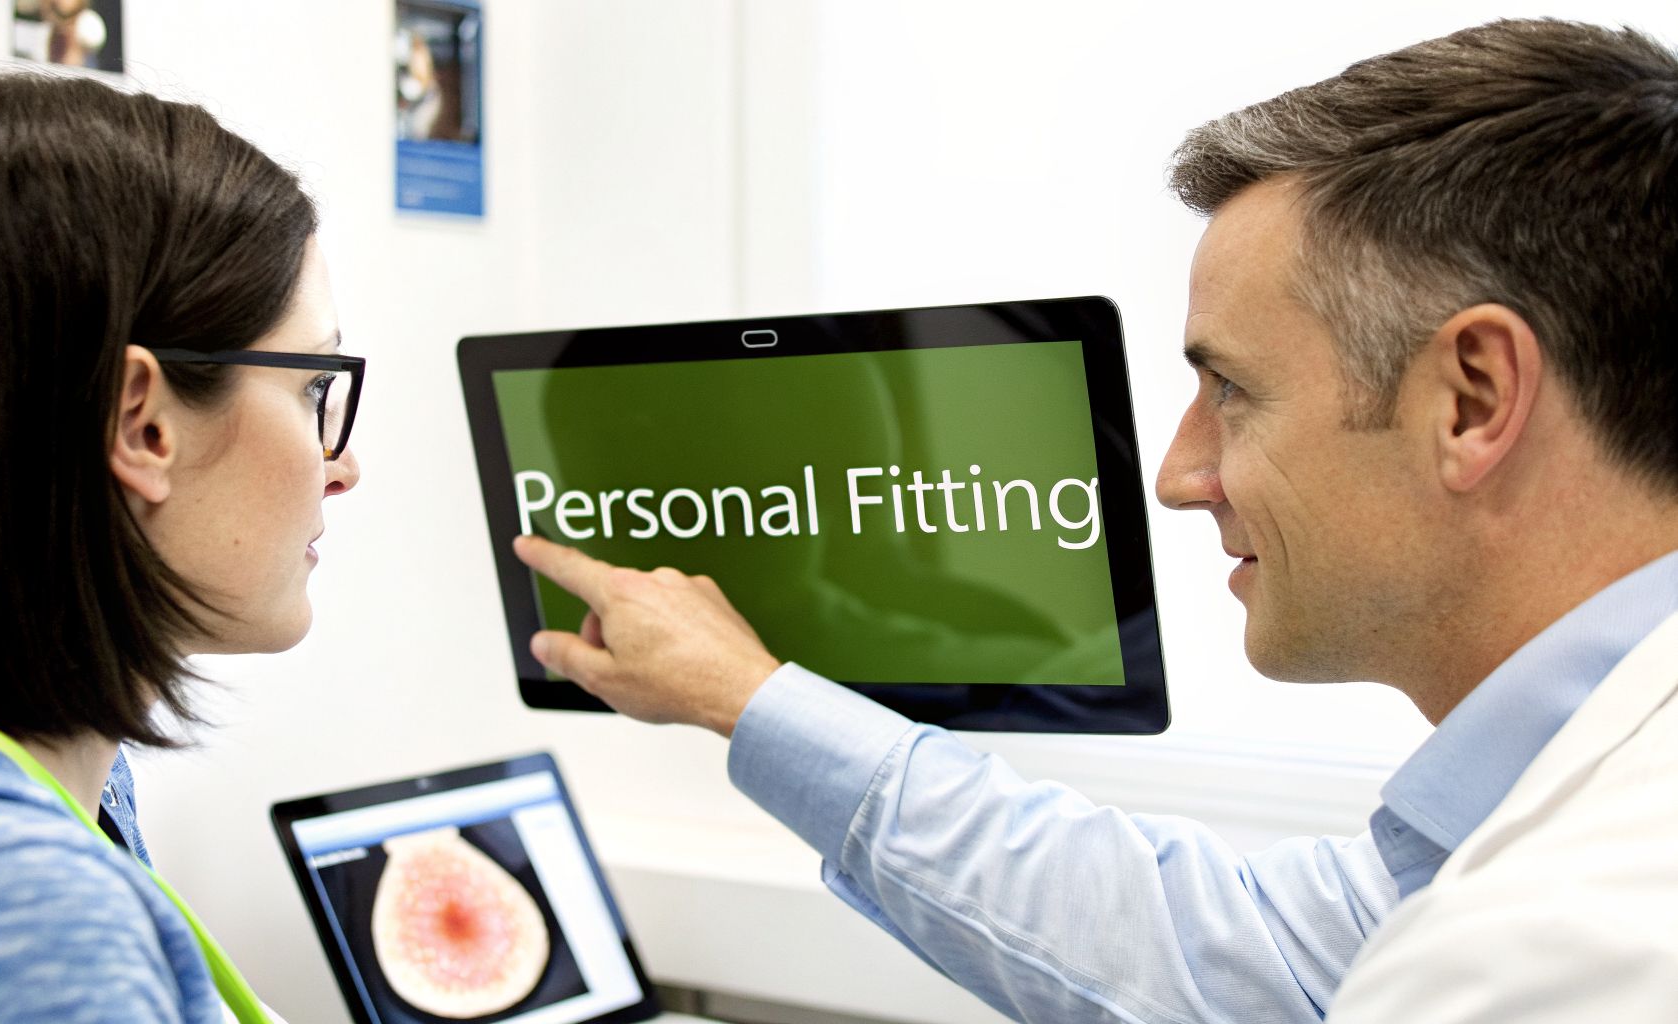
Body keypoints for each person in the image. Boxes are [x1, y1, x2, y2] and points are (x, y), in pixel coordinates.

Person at [513, 17, 1678, 1022]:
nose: (1176, 474)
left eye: (1231, 387)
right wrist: (748, 697)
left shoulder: (1574, 942)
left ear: (1470, 398)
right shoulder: (1530, 820)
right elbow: (1243, 958)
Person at [0, 73, 362, 1021]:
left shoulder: (57, 791)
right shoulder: (1, 904)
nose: (341, 464)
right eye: (310, 389)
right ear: (142, 423)